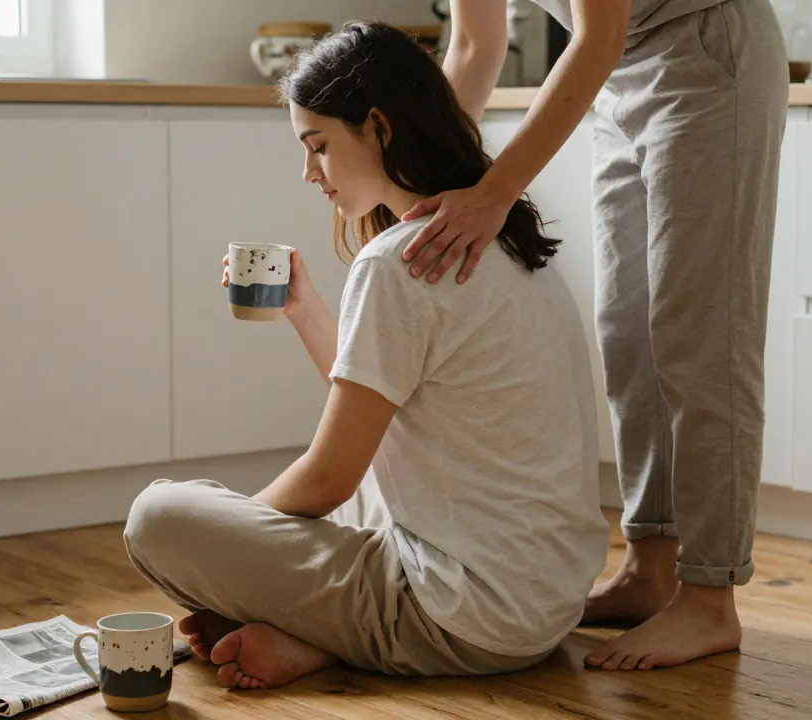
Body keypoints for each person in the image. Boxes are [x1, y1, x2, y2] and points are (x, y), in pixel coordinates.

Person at [121, 21, 609, 690]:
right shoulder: (505, 241)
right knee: (375, 478)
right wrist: (307, 310)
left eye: (317, 146)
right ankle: (320, 635)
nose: (308, 174)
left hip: (460, 617)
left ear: (378, 127)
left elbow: (328, 480)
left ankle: (335, 631)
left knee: (158, 518)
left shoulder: (398, 262)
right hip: (545, 607)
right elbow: (390, 408)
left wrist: (238, 551)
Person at [398, 0, 789, 670]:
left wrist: (493, 195)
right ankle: (650, 569)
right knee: (629, 337)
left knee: (702, 339)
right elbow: (474, 44)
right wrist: (411, 193)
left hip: (704, 52)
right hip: (616, 76)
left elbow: (597, 32)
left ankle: (711, 598)